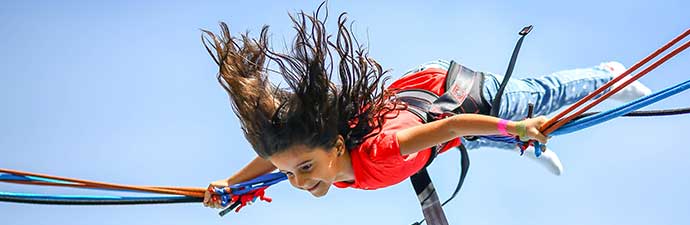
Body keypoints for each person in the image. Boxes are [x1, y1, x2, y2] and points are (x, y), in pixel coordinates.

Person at [200, 6, 651, 208]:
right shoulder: (316, 155)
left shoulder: (383, 152)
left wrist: (517, 128)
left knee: (536, 99)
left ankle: (610, 75)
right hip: (417, 105)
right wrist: (232, 182)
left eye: (303, 168)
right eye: (291, 172)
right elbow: (273, 158)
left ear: (336, 147)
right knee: (477, 139)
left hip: (452, 95)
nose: (297, 182)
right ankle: (522, 144)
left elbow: (452, 127)